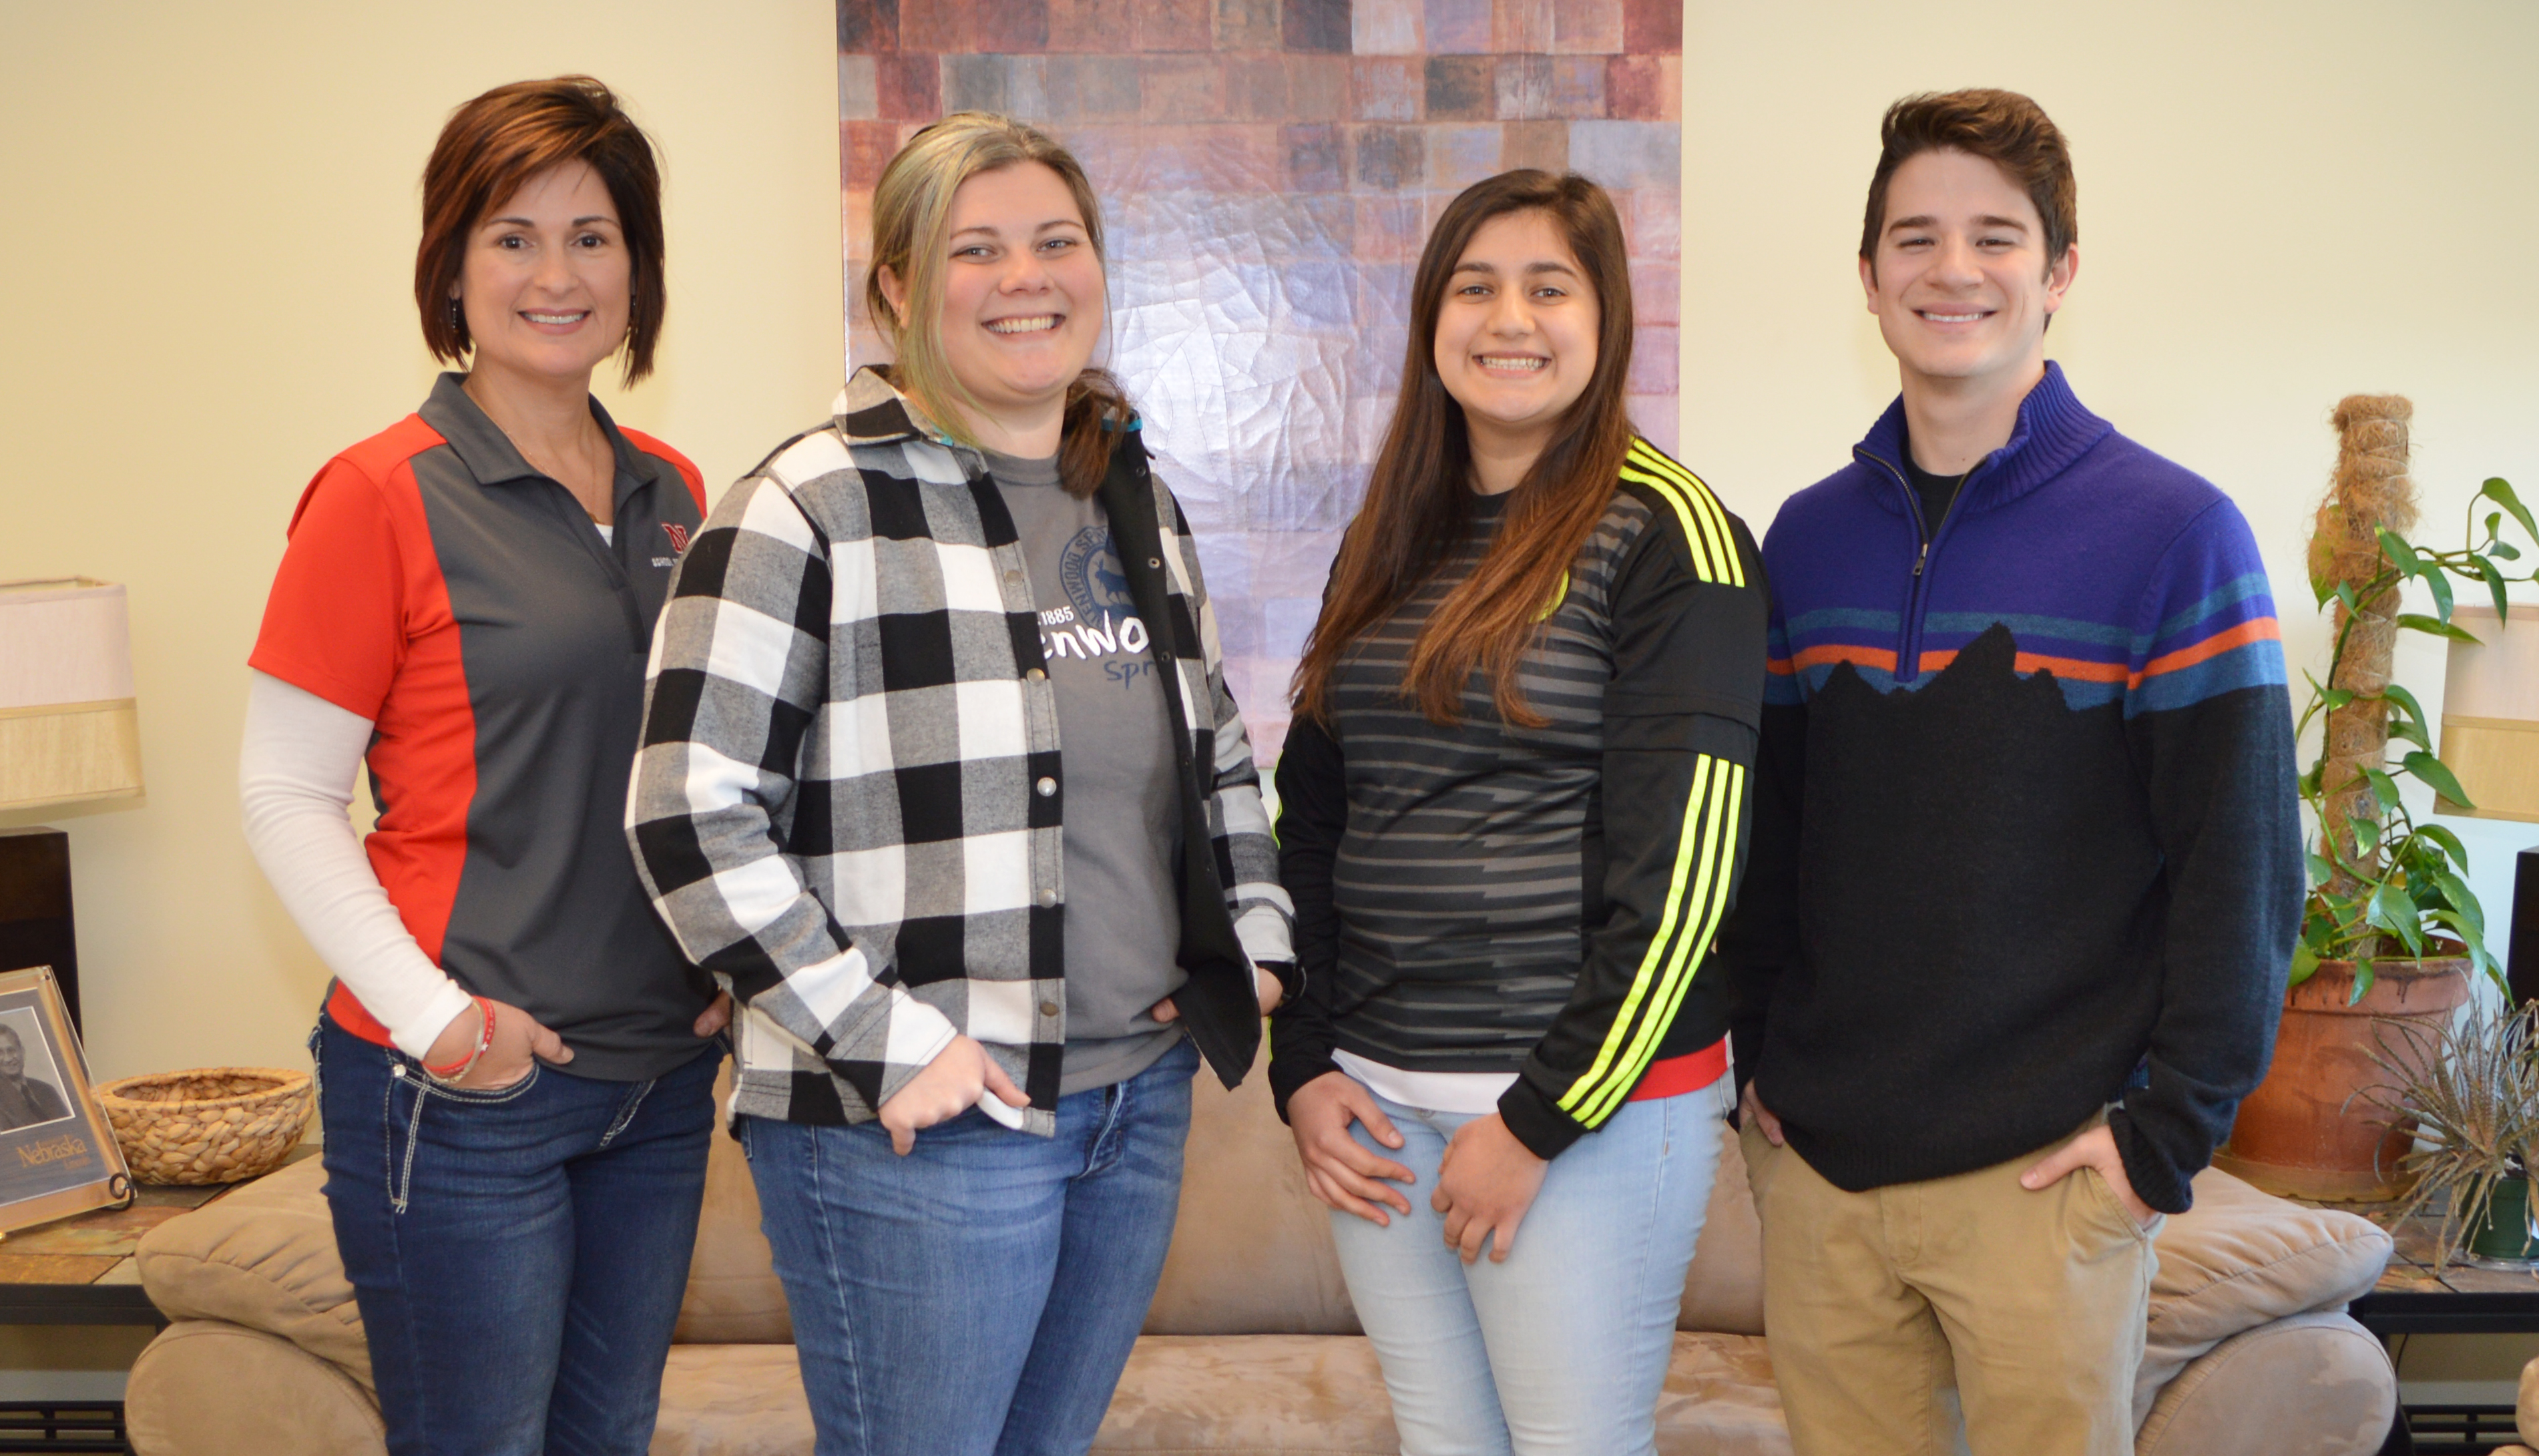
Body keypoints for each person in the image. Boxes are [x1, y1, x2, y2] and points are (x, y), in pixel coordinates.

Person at [625, 111, 1293, 1456]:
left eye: (1055, 241)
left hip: (1132, 1102)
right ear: (897, 285)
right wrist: (889, 1042)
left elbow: (1214, 744)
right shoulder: (804, 506)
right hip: (918, 1125)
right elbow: (686, 814)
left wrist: (1257, 939)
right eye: (974, 249)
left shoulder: (1133, 502)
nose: (1023, 277)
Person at [1716, 89, 2302, 1455]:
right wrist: (1757, 1059)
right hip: (1820, 1173)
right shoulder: (1805, 539)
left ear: (2059, 272)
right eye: (1914, 237)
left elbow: (2241, 865)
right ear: (1868, 277)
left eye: (1995, 236)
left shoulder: (2175, 534)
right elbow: (1767, 835)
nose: (1953, 269)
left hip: (2047, 1176)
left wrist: (2164, 1134)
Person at [240, 77, 728, 1456]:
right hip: (463, 1093)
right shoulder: (376, 492)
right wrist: (442, 1024)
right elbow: (284, 795)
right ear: (451, 267)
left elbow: (697, 771)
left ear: (637, 269)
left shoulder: (678, 491)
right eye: (513, 237)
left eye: (593, 237)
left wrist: (727, 964)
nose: (556, 275)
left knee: (608, 1439)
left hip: (658, 1082)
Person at [1268, 169, 1767, 1456]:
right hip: (1376, 1100)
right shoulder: (1389, 533)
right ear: (1431, 316)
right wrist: (1303, 1066)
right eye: (1474, 287)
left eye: (1549, 288)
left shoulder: (1671, 535)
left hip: (1585, 1110)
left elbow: (1685, 880)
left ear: (1605, 321)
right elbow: (1312, 819)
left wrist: (1539, 1119)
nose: (1508, 319)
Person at [0, 1025, 69, 1132]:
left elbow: (72, 1127)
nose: (8, 1059)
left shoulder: (47, 1090)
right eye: (0, 1053)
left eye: (11, 1050)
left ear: (22, 1052)